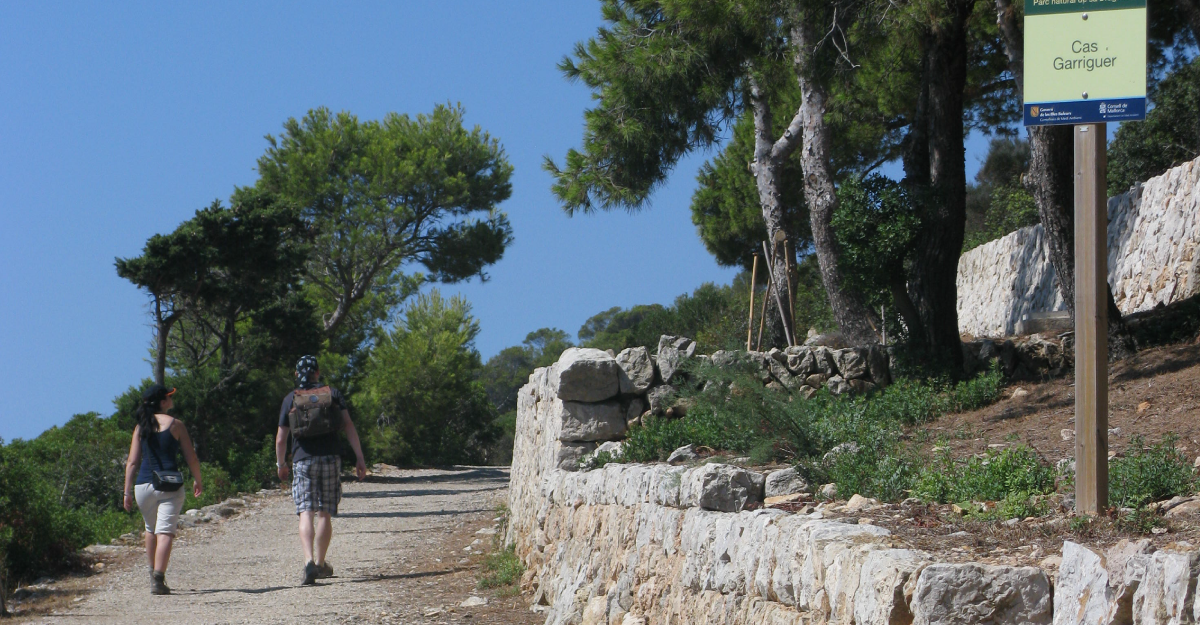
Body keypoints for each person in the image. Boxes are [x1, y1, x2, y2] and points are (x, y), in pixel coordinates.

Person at [276, 355, 367, 586]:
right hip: (330, 458)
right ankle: (320, 562)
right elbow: (348, 425)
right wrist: (359, 457)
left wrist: (281, 465)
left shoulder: (291, 399)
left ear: (297, 375)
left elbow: (280, 439)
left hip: (303, 460)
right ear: (318, 373)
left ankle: (308, 562)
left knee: (305, 511)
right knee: (325, 512)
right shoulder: (332, 394)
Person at [123, 384, 203, 595]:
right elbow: (191, 457)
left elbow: (132, 462)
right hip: (170, 485)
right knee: (165, 531)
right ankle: (158, 579)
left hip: (143, 487)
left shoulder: (141, 427)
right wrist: (198, 479)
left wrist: (126, 491)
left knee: (150, 530)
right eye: (169, 397)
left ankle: (152, 575)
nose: (171, 399)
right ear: (162, 402)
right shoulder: (176, 425)